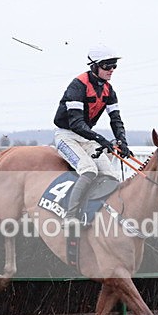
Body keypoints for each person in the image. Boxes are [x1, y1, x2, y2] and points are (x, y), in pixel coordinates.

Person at [53, 44, 131, 223]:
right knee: (89, 170)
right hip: (67, 136)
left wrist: (122, 141)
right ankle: (70, 216)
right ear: (95, 66)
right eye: (107, 66)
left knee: (111, 176)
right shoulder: (77, 85)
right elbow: (76, 123)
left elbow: (115, 119)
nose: (111, 70)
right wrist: (102, 140)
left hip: (86, 137)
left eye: (114, 66)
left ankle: (94, 212)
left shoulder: (109, 90)